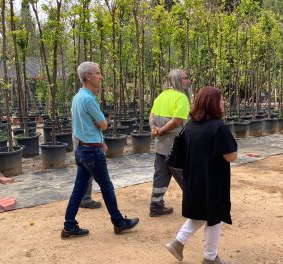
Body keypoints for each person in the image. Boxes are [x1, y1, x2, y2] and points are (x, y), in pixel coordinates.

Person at [61, 62, 139, 239]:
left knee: (78, 189)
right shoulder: (89, 99)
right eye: (98, 73)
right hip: (91, 151)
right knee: (106, 187)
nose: (101, 77)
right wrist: (100, 129)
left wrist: (98, 138)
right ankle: (119, 222)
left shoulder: (77, 97)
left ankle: (69, 225)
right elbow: (103, 124)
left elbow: (86, 125)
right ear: (88, 76)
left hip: (82, 148)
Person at [164, 86, 238, 264]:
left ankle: (178, 242)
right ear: (213, 103)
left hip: (193, 179)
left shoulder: (190, 126)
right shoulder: (218, 128)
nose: (223, 103)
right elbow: (231, 157)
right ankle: (210, 258)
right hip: (213, 181)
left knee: (201, 213)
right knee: (214, 217)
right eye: (221, 100)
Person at [149, 69, 191, 217]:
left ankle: (156, 206)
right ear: (178, 80)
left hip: (160, 147)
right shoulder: (181, 98)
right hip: (176, 147)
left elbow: (152, 115)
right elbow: (177, 121)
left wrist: (154, 129)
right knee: (187, 176)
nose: (188, 81)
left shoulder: (161, 96)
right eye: (185, 78)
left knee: (160, 176)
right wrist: (160, 131)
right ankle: (198, 206)